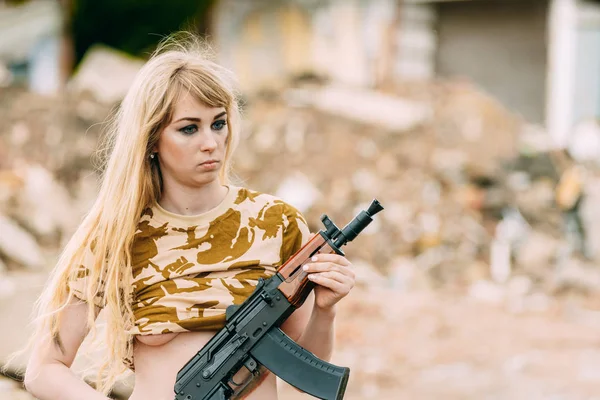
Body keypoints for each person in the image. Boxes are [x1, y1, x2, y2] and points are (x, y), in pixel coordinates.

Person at [11, 34, 356, 400]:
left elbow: (309, 366)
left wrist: (326, 309)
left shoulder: (275, 222)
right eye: (189, 128)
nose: (210, 142)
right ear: (152, 139)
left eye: (218, 123)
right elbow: (44, 369)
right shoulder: (119, 235)